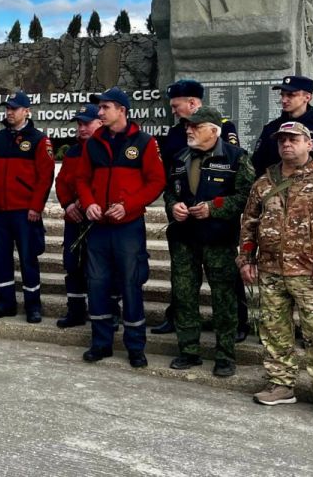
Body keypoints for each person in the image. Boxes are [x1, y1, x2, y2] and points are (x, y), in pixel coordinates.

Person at [238, 121, 313, 418]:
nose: (286, 144)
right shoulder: (264, 182)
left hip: (310, 272)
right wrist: (246, 260)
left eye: (293, 139)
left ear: (309, 144)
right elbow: (249, 225)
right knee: (274, 330)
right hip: (271, 271)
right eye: (282, 140)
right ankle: (281, 384)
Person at [77, 87, 166, 368]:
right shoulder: (93, 143)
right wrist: (89, 202)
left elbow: (156, 182)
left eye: (105, 107)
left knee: (130, 285)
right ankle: (101, 343)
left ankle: (135, 346)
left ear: (122, 111)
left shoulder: (144, 142)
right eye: (99, 108)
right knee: (97, 284)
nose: (99, 112)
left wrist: (129, 205)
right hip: (99, 227)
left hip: (129, 228)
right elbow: (82, 179)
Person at [162, 106, 254, 377]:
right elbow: (169, 192)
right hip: (184, 239)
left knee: (224, 298)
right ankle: (188, 350)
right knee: (184, 295)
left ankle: (225, 355)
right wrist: (173, 207)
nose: (188, 130)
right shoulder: (180, 158)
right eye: (188, 125)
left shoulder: (236, 158)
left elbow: (248, 198)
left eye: (195, 126)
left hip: (218, 240)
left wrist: (214, 208)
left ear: (214, 131)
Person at [154, 79, 248, 340]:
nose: (174, 111)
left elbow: (233, 176)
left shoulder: (222, 128)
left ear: (193, 104)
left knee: (226, 280)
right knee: (183, 280)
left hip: (216, 227)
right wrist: (174, 205)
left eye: (177, 106)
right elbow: (170, 177)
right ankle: (177, 318)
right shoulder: (175, 134)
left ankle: (239, 322)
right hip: (184, 225)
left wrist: (214, 207)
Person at [0, 91, 55, 324]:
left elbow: (45, 176)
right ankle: (5, 303)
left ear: (26, 111)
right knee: (0, 260)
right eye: (8, 108)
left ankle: (33, 306)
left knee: (28, 259)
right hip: (0, 212)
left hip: (26, 212)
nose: (9, 112)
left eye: (14, 108)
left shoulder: (39, 140)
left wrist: (36, 206)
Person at [53, 104, 102, 328]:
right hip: (74, 218)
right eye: (79, 124)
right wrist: (68, 204)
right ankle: (76, 311)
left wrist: (91, 201)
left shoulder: (105, 148)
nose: (82, 128)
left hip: (98, 219)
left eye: (87, 123)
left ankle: (104, 311)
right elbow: (62, 182)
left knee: (99, 268)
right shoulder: (73, 151)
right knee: (73, 265)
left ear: (100, 122)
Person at [252, 75, 313, 181]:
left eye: (290, 95)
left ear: (307, 97)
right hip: (276, 192)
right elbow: (258, 165)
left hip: (311, 193)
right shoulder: (272, 128)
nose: (284, 100)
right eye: (282, 95)